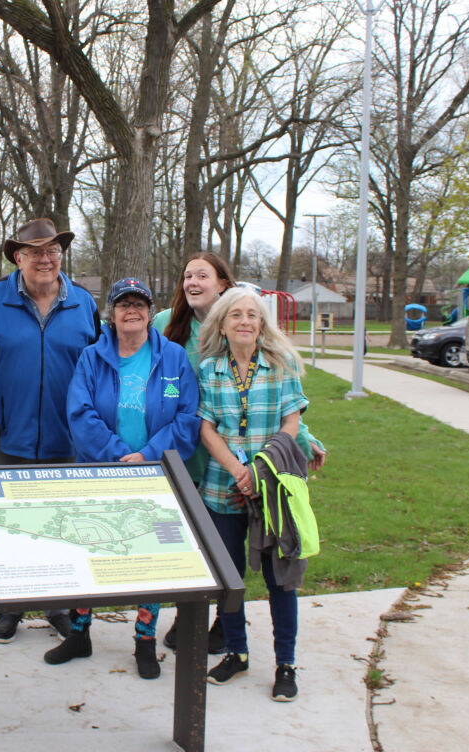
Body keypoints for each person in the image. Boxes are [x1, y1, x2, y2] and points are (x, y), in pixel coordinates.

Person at [153, 253, 326, 654]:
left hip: (235, 464)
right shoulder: (166, 324)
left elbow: (281, 409)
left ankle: (227, 632)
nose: (192, 281)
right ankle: (193, 620)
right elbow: (160, 380)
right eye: (187, 275)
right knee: (197, 550)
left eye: (202, 275)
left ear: (223, 285)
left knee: (248, 561)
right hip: (190, 453)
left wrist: (302, 440)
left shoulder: (248, 334)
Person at [0, 217, 100, 643]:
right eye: (36, 251)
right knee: (8, 527)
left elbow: (98, 373)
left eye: (53, 251)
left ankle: (58, 607)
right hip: (4, 438)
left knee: (60, 527)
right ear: (18, 257)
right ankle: (10, 606)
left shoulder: (83, 304)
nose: (46, 259)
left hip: (67, 440)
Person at [55, 277, 200, 679]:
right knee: (89, 548)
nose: (131, 310)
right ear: (112, 313)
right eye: (123, 304)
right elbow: (80, 413)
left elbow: (188, 418)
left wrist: (147, 456)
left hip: (155, 476)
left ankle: (145, 640)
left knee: (148, 560)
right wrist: (119, 454)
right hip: (100, 472)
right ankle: (79, 632)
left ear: (151, 312)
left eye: (140, 303)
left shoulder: (172, 358)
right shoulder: (92, 357)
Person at [195, 286, 316, 700]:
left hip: (272, 490)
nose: (245, 321)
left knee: (279, 579)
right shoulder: (209, 369)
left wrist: (259, 468)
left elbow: (291, 421)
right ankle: (236, 652)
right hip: (223, 488)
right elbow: (206, 427)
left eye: (253, 315)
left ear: (262, 324)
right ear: (222, 325)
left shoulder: (281, 366)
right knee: (229, 579)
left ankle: (286, 663)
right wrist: (236, 469)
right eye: (236, 315)